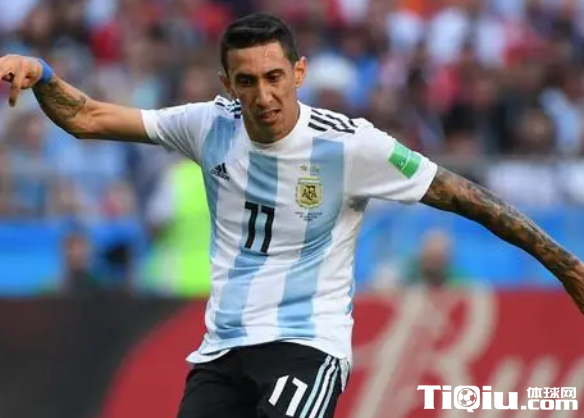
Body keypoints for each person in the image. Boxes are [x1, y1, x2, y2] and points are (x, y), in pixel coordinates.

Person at [1, 12, 584, 418]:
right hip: (222, 350)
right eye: (247, 82)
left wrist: (565, 266)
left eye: (275, 77)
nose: (263, 96)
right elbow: (89, 118)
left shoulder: (350, 145)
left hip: (306, 344)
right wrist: (43, 73)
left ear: (298, 73)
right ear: (228, 84)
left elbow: (463, 195)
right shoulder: (208, 125)